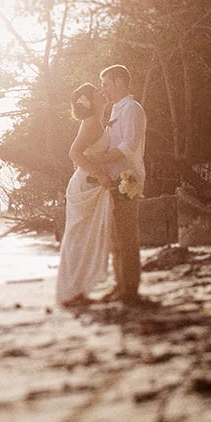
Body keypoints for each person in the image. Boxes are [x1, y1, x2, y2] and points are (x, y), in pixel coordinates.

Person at [90, 64, 147, 304]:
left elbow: (128, 146)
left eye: (106, 84)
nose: (103, 89)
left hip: (128, 177)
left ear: (120, 81)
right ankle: (120, 284)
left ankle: (130, 287)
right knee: (114, 235)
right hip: (113, 177)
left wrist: (100, 159)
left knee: (126, 235)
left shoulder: (132, 109)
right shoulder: (115, 109)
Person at [56, 83, 113, 307]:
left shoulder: (96, 122)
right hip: (86, 185)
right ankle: (72, 291)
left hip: (89, 184)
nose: (102, 92)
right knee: (79, 237)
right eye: (97, 92)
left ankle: (78, 289)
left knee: (85, 237)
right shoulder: (90, 123)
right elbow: (74, 153)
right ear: (90, 101)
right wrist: (99, 174)